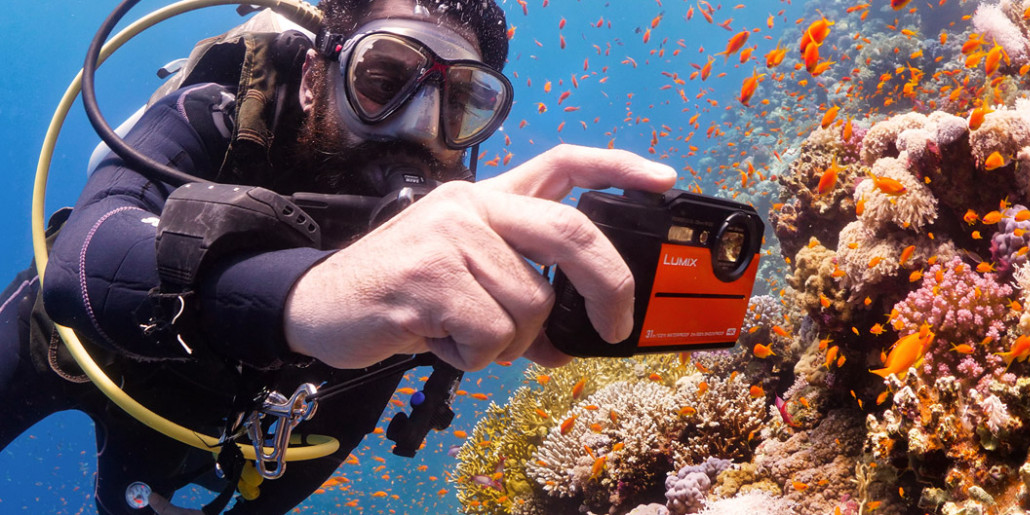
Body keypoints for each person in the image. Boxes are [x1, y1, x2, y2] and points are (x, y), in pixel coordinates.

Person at [0, 0, 677, 513]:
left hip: (222, 428)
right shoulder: (218, 110)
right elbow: (88, 255)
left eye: (461, 103)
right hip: (68, 347)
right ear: (314, 75)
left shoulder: (451, 228)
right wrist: (317, 293)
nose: (420, 126)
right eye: (384, 78)